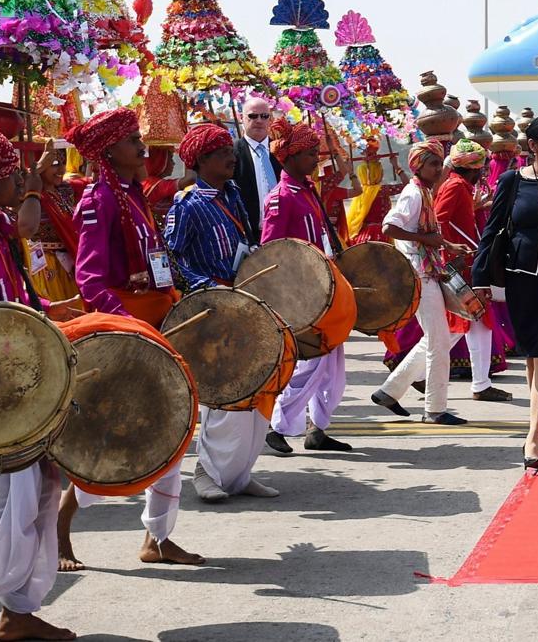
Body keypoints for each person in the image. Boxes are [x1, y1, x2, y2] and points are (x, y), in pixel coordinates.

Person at [60, 107, 202, 571]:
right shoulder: (99, 200)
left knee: (172, 431)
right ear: (107, 153)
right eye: (131, 141)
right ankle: (61, 526)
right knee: (113, 437)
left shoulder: (132, 194)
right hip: (125, 332)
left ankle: (157, 538)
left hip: (154, 321)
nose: (143, 147)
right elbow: (90, 280)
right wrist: (129, 326)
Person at [0, 127, 76, 641]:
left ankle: (19, 612)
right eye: (10, 173)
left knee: (42, 495)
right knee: (2, 507)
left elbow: (14, 297)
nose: (19, 178)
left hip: (27, 393)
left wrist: (54, 313)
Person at [164, 123, 281, 503]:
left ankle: (239, 473)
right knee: (223, 393)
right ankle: (207, 473)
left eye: (230, 151)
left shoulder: (233, 194)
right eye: (221, 154)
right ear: (200, 161)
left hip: (244, 300)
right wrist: (206, 287)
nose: (232, 158)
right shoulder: (187, 204)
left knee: (256, 386)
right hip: (211, 307)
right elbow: (174, 258)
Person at [472, 115, 538, 468]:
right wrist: (480, 277)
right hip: (521, 280)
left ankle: (531, 438)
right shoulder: (511, 182)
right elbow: (493, 229)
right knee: (533, 355)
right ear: (532, 146)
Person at [263, 119, 356, 454]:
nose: (317, 158)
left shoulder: (307, 190)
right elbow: (272, 252)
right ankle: (276, 425)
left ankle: (318, 429)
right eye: (310, 153)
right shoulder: (280, 198)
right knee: (312, 362)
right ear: (288, 158)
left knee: (333, 367)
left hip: (327, 289)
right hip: (304, 295)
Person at [372, 141, 472, 424]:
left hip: (427, 271)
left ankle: (389, 392)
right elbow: (390, 226)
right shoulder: (414, 193)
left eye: (440, 165)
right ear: (418, 166)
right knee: (439, 341)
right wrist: (426, 240)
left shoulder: (425, 192)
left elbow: (427, 233)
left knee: (434, 339)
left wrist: (450, 246)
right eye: (433, 165)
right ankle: (435, 409)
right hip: (419, 274)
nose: (438, 170)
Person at [433, 139, 511, 402]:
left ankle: (481, 383)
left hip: (470, 264)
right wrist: (454, 248)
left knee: (474, 324)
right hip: (463, 266)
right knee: (467, 325)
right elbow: (438, 219)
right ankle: (400, 382)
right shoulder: (455, 186)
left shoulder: (461, 186)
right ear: (474, 168)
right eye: (483, 166)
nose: (485, 172)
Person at [24, 142, 83, 305]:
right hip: (45, 267)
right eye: (55, 164)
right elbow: (17, 190)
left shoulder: (65, 190)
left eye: (63, 164)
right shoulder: (30, 195)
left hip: (70, 262)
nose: (62, 170)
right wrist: (39, 168)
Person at [232, 95, 282, 246]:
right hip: (249, 236)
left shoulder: (282, 151)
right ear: (241, 118)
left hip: (283, 232)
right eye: (253, 116)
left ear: (270, 119)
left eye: (264, 116)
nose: (259, 120)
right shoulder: (231, 153)